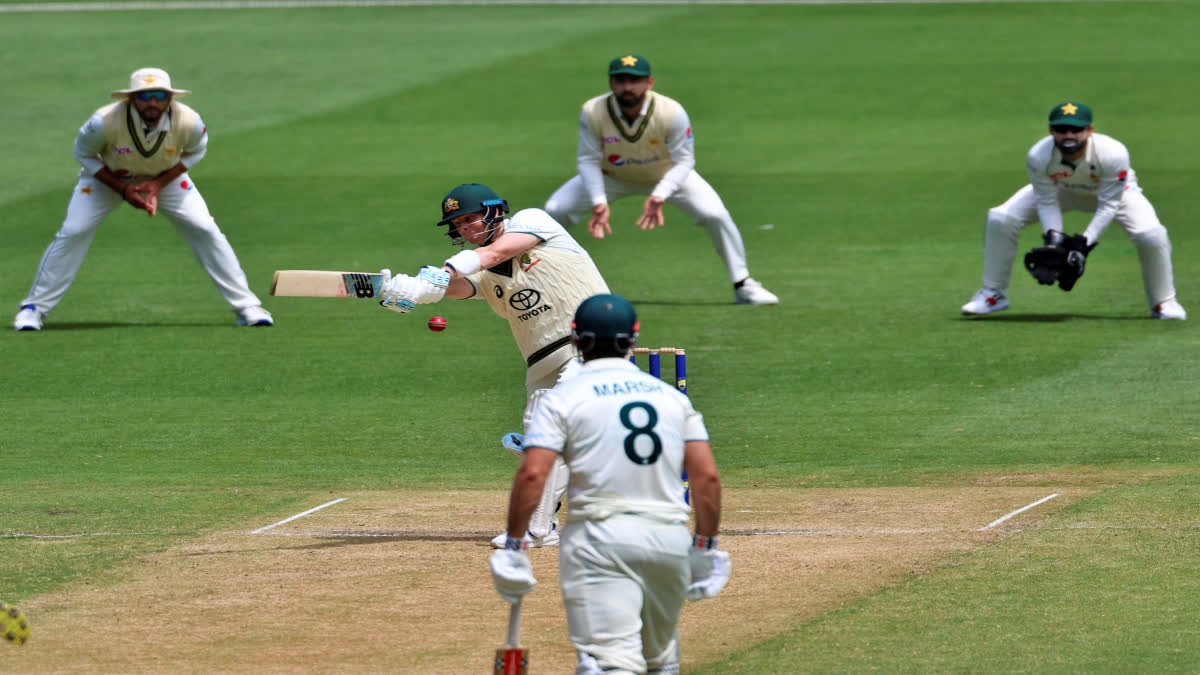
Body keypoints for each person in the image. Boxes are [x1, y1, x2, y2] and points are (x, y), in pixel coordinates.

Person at [488, 293, 730, 674]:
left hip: (598, 540)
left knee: (607, 662)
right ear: (633, 341)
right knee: (661, 661)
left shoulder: (562, 397)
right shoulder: (670, 398)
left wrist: (515, 547)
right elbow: (707, 478)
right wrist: (706, 547)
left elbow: (534, 473)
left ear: (575, 340)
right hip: (667, 540)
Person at [377, 183, 611, 548]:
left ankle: (536, 529)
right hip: (542, 361)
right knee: (546, 439)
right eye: (459, 224)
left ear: (493, 211)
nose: (466, 229)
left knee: (553, 426)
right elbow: (453, 287)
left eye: (470, 218)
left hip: (592, 343)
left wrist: (442, 271)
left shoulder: (534, 221)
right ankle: (544, 527)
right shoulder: (481, 272)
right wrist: (406, 290)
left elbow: (492, 254)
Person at [12, 68, 272, 332]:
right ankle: (33, 309)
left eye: (159, 95)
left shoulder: (188, 120)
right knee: (74, 231)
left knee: (204, 228)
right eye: (145, 95)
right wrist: (123, 190)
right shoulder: (104, 121)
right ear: (132, 99)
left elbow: (196, 152)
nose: (152, 102)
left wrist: (157, 184)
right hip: (107, 178)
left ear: (170, 98)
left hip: (165, 178)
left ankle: (247, 306)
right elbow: (83, 153)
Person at [543, 54, 779, 306]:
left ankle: (743, 284)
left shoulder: (671, 112)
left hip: (666, 175)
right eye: (620, 80)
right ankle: (541, 281)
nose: (627, 87)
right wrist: (599, 201)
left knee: (715, 214)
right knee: (556, 210)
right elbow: (588, 159)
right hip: (611, 175)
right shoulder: (593, 111)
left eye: (635, 80)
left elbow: (685, 161)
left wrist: (660, 195)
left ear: (649, 82)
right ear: (611, 83)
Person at [962, 101, 1186, 320]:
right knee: (1001, 218)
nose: (1069, 135)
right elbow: (1046, 200)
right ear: (1051, 131)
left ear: (1090, 130)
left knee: (1151, 235)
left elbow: (1109, 204)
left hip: (1115, 194)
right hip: (1064, 190)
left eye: (1076, 129)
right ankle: (993, 294)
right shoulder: (1038, 155)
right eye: (1061, 129)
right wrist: (1054, 240)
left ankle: (1163, 301)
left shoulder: (1113, 152)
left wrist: (1083, 245)